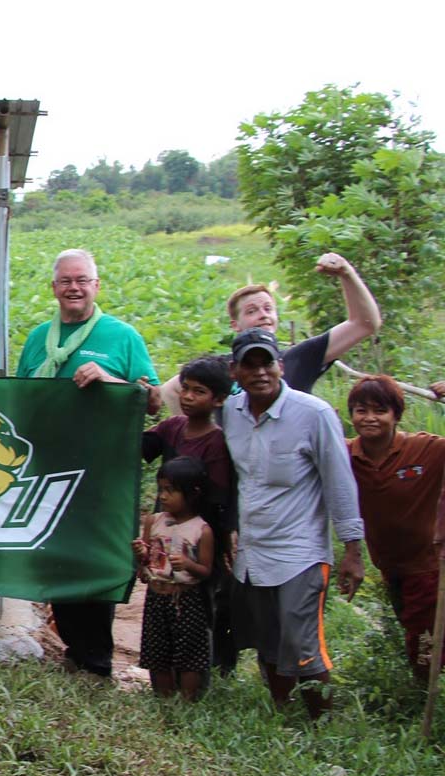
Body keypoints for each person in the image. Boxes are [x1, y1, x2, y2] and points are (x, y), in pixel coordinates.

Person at [16, 248, 159, 678]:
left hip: (103, 475)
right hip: (52, 471)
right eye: (65, 281)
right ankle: (74, 649)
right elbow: (21, 398)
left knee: (98, 558)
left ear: (97, 286)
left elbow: (152, 402)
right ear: (54, 288)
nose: (73, 288)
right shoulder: (39, 338)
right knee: (60, 555)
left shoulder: (123, 337)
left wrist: (110, 380)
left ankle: (97, 657)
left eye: (82, 280)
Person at [224, 327, 364, 719]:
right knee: (267, 641)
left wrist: (352, 549)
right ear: (234, 372)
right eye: (249, 365)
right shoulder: (230, 414)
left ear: (280, 366)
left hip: (301, 552)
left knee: (303, 646)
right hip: (253, 551)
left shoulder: (312, 414)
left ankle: (321, 724)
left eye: (266, 362)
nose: (260, 372)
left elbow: (340, 481)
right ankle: (281, 716)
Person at [158, 252, 382, 413]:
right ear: (235, 324)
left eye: (268, 309)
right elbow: (168, 391)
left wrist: (347, 273)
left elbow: (364, 324)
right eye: (252, 311)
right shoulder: (219, 367)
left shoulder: (299, 357)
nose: (263, 315)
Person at [141, 356, 236, 675]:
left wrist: (223, 538)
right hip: (164, 535)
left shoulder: (217, 442)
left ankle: (198, 677)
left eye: (199, 391)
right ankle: (162, 677)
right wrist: (131, 403)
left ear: (219, 399)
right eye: (185, 389)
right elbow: (140, 447)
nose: (188, 397)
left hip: (198, 539)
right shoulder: (172, 427)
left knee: (196, 608)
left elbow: (220, 498)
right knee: (158, 598)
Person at [346, 375, 445, 681]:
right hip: (390, 566)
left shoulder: (426, 450)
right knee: (417, 631)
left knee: (424, 641)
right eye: (361, 410)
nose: (370, 418)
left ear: (396, 415)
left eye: (380, 410)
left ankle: (428, 703)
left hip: (429, 565)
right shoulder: (346, 455)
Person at [132, 457, 215, 700]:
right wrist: (141, 554)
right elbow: (146, 561)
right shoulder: (154, 521)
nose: (164, 496)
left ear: (193, 493)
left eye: (171, 490)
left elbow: (206, 570)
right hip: (157, 596)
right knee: (157, 652)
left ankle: (187, 700)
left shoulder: (202, 530)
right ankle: (163, 700)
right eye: (161, 489)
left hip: (186, 599)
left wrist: (189, 564)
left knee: (189, 654)